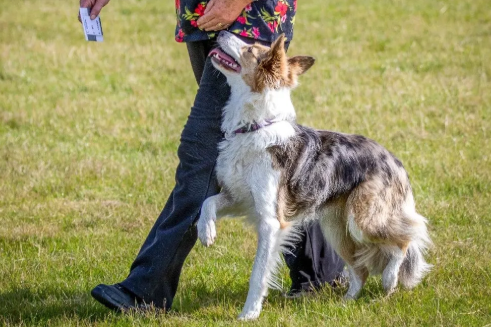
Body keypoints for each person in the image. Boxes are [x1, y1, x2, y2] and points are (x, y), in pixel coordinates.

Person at [80, 0, 345, 312]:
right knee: (262, 141)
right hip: (201, 13)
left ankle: (146, 290)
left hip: (245, 16)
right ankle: (320, 273)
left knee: (202, 152)